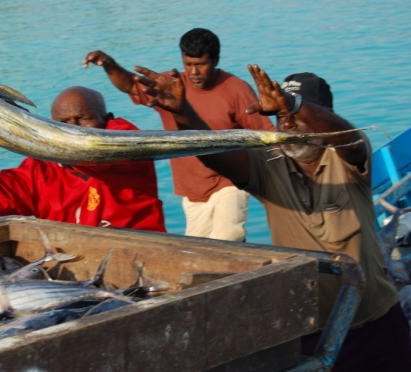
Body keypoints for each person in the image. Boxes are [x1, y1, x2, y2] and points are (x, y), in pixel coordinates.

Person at [133, 64, 411, 371]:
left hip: (375, 322)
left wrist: (294, 106)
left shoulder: (348, 158)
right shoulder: (269, 165)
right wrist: (183, 111)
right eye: (281, 118)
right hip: (311, 329)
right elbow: (216, 154)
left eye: (298, 117)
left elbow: (352, 142)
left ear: (324, 120)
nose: (288, 126)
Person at [84, 28, 274, 242]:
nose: (194, 72)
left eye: (201, 64)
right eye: (189, 65)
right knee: (196, 245)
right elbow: (129, 84)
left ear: (216, 60)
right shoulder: (170, 87)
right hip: (192, 186)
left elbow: (265, 134)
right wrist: (108, 63)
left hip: (229, 181)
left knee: (229, 236)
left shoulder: (236, 89)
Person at [0, 86, 166, 233]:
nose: (73, 129)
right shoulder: (39, 173)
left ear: (106, 118)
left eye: (83, 118)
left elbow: (97, 151)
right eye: (62, 124)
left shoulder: (130, 148)